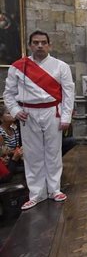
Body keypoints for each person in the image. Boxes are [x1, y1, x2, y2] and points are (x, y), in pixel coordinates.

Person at [3, 30, 75, 210]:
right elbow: (9, 94)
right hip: (29, 114)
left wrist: (66, 116)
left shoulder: (61, 66)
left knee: (53, 152)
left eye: (43, 42)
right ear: (30, 45)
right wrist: (15, 110)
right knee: (33, 154)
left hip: (52, 111)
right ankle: (36, 194)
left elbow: (68, 93)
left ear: (49, 45)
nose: (40, 45)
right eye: (36, 42)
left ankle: (54, 189)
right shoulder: (18, 67)